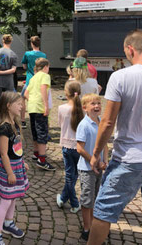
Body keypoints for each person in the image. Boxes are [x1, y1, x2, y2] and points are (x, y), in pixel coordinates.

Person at [87, 29, 142, 245]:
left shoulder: (121, 77)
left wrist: (96, 153)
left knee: (103, 211)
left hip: (130, 158)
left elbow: (108, 122)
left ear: (130, 49)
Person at [0, 92, 29, 245]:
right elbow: (4, 153)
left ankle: (8, 223)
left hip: (16, 165)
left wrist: (21, 161)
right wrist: (11, 173)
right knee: (6, 200)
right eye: (18, 104)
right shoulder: (4, 129)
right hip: (8, 168)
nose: (21, 106)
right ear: (8, 106)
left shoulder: (14, 123)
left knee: (13, 197)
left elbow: (16, 147)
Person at [76, 93, 108, 242]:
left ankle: (95, 226)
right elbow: (79, 149)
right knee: (87, 200)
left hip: (99, 168)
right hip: (86, 169)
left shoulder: (101, 122)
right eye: (93, 104)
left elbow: (105, 144)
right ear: (85, 107)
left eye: (98, 103)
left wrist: (105, 161)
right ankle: (87, 228)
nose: (96, 106)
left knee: (96, 199)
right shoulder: (84, 125)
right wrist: (93, 161)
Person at [56, 80, 83, 213]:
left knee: (69, 175)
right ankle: (62, 197)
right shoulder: (83, 110)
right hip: (80, 146)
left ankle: (74, 202)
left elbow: (60, 125)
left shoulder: (62, 108)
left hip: (67, 145)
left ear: (66, 94)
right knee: (74, 175)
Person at [24, 58, 55, 171]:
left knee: (35, 131)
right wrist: (45, 105)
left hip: (32, 107)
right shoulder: (45, 76)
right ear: (46, 67)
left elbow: (26, 93)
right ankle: (42, 160)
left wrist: (32, 101)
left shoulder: (33, 77)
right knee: (42, 132)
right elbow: (43, 89)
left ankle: (36, 153)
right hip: (40, 107)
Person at [0, 34, 18, 132]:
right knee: (10, 102)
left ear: (2, 41)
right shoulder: (13, 54)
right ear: (11, 41)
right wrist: (3, 72)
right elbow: (13, 70)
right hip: (9, 81)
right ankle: (11, 123)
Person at [21, 36, 47, 128]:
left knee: (22, 98)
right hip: (40, 80)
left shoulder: (27, 54)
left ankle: (23, 120)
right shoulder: (44, 55)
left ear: (31, 44)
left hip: (29, 80)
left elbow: (24, 66)